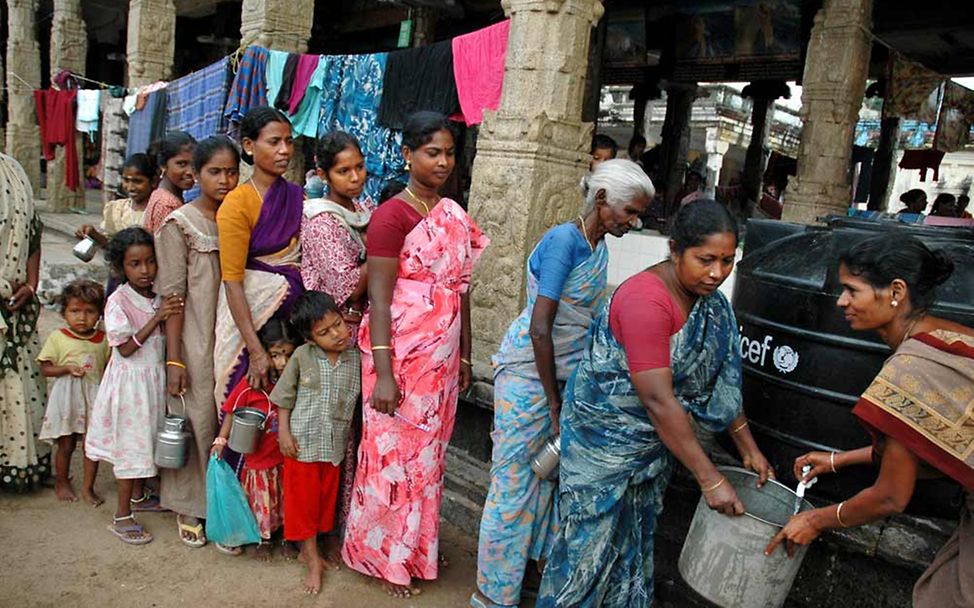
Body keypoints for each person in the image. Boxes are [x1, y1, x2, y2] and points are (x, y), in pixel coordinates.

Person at [537, 200, 774, 608]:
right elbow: (657, 399)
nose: (717, 273)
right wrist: (710, 479)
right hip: (604, 447)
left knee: (631, 549)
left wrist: (748, 447)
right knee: (583, 558)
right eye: (705, 260)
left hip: (655, 447)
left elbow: (717, 381)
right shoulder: (646, 301)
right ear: (675, 249)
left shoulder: (712, 305)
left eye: (727, 261)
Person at [472, 160, 655, 608]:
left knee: (547, 481)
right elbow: (541, 328)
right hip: (530, 377)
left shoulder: (597, 247)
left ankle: (525, 577)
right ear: (600, 200)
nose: (634, 222)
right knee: (513, 484)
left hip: (564, 378)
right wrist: (554, 401)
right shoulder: (563, 242)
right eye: (629, 212)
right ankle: (493, 593)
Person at [766, 234, 972, 608]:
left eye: (851, 290)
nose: (842, 301)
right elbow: (923, 440)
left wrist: (816, 521)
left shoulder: (911, 369)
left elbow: (891, 496)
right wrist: (838, 460)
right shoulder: (949, 335)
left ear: (895, 291)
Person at [341, 111, 490, 598]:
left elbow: (460, 289)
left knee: (427, 461)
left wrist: (464, 355)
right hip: (399, 358)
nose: (443, 162)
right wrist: (384, 373)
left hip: (440, 363)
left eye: (449, 153)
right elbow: (378, 300)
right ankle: (382, 557)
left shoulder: (452, 212)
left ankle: (416, 548)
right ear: (407, 154)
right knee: (391, 459)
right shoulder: (393, 216)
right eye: (433, 152)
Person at [155, 136, 240, 548]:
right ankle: (189, 503)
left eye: (231, 172)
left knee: (228, 417)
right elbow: (171, 297)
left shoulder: (237, 217)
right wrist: (175, 359)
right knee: (196, 415)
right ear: (196, 175)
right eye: (214, 172)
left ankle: (224, 503)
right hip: (192, 337)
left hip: (230, 333)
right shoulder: (180, 224)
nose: (224, 180)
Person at [85, 228, 184, 545]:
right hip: (130, 386)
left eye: (150, 262)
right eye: (135, 264)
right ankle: (122, 515)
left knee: (144, 441)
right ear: (121, 267)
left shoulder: (155, 296)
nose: (145, 270)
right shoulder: (118, 301)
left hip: (149, 382)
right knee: (131, 448)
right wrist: (158, 318)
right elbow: (125, 348)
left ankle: (140, 496)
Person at [271, 291, 361, 594]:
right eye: (324, 332)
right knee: (302, 503)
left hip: (333, 446)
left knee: (325, 500)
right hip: (301, 444)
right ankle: (309, 557)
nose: (336, 334)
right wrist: (283, 433)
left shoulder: (356, 358)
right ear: (310, 339)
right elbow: (284, 397)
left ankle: (320, 545)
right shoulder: (302, 357)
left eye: (337, 324)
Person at [214, 107, 304, 403]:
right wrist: (254, 349)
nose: (284, 150)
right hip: (250, 323)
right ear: (249, 146)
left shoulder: (296, 196)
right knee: (243, 408)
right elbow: (233, 281)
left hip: (290, 326)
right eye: (274, 141)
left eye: (289, 142)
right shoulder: (236, 205)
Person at [213, 319, 297, 560]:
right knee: (262, 503)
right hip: (259, 460)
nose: (283, 363)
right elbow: (231, 410)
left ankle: (287, 538)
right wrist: (220, 441)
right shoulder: (252, 384)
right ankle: (264, 540)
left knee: (286, 499)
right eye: (275, 355)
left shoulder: (294, 379)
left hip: (285, 457)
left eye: (288, 355)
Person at [0, 152, 50, 492]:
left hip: (15, 302)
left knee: (21, 385)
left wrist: (31, 285)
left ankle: (18, 465)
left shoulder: (14, 169)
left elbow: (33, 232)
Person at [37, 280, 109, 506]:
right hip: (66, 396)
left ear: (99, 314)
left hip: (93, 397)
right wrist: (66, 369)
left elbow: (107, 369)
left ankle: (88, 488)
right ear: (64, 312)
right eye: (75, 311)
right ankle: (61, 481)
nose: (82, 317)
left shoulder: (103, 340)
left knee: (92, 445)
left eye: (89, 312)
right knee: (66, 444)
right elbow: (45, 368)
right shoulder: (58, 337)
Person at [301, 131, 373, 342]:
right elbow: (350, 289)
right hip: (337, 331)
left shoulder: (363, 207)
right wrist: (382, 248)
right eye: (343, 171)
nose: (355, 177)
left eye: (359, 167)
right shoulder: (320, 222)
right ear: (323, 175)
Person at [76, 153, 159, 247]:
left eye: (137, 181)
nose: (130, 187)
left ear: (153, 181)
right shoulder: (116, 209)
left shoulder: (158, 211)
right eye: (126, 180)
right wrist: (93, 234)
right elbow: (111, 245)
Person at [142, 132, 197, 234]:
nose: (190, 172)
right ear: (163, 165)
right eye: (182, 164)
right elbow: (167, 248)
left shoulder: (162, 195)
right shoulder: (167, 205)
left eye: (194, 165)